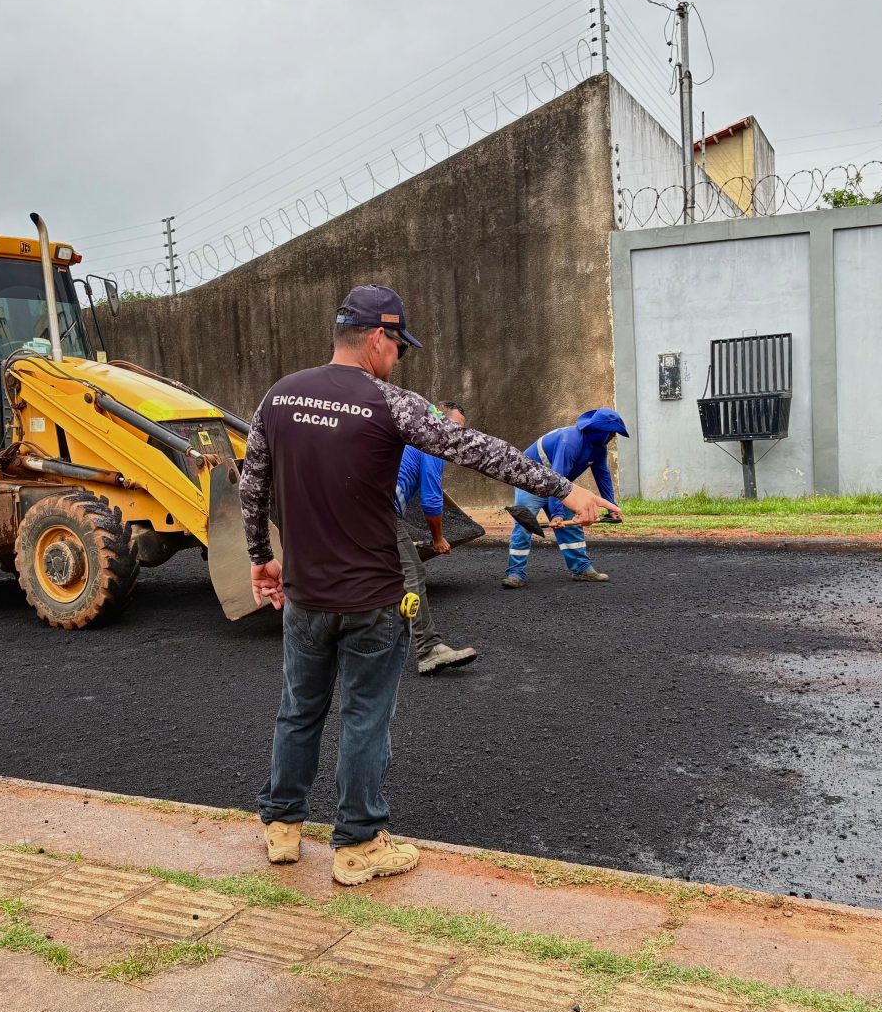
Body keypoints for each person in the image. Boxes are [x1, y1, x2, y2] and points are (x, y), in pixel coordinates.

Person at [240, 285, 621, 886]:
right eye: (399, 346)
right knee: (365, 716)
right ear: (376, 339)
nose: (399, 359)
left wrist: (262, 557)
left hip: (305, 595)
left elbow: (252, 483)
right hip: (370, 597)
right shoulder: (389, 402)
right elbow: (479, 451)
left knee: (299, 710)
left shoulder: (278, 397)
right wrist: (565, 488)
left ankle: (282, 829)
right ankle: (358, 844)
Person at [502, 408, 628, 589]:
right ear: (601, 431)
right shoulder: (570, 441)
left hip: (557, 483)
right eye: (612, 434)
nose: (613, 438)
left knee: (572, 523)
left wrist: (612, 508)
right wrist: (557, 514)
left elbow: (603, 475)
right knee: (523, 526)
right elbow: (557, 478)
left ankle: (581, 569)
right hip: (529, 483)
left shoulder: (599, 449)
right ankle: (515, 573)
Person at [394, 401, 477, 676]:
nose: (456, 433)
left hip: (350, 508)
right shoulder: (432, 437)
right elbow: (431, 500)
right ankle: (428, 648)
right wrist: (438, 538)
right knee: (413, 573)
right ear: (440, 418)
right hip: (376, 513)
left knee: (374, 572)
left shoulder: (410, 433)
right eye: (455, 426)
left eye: (461, 430)